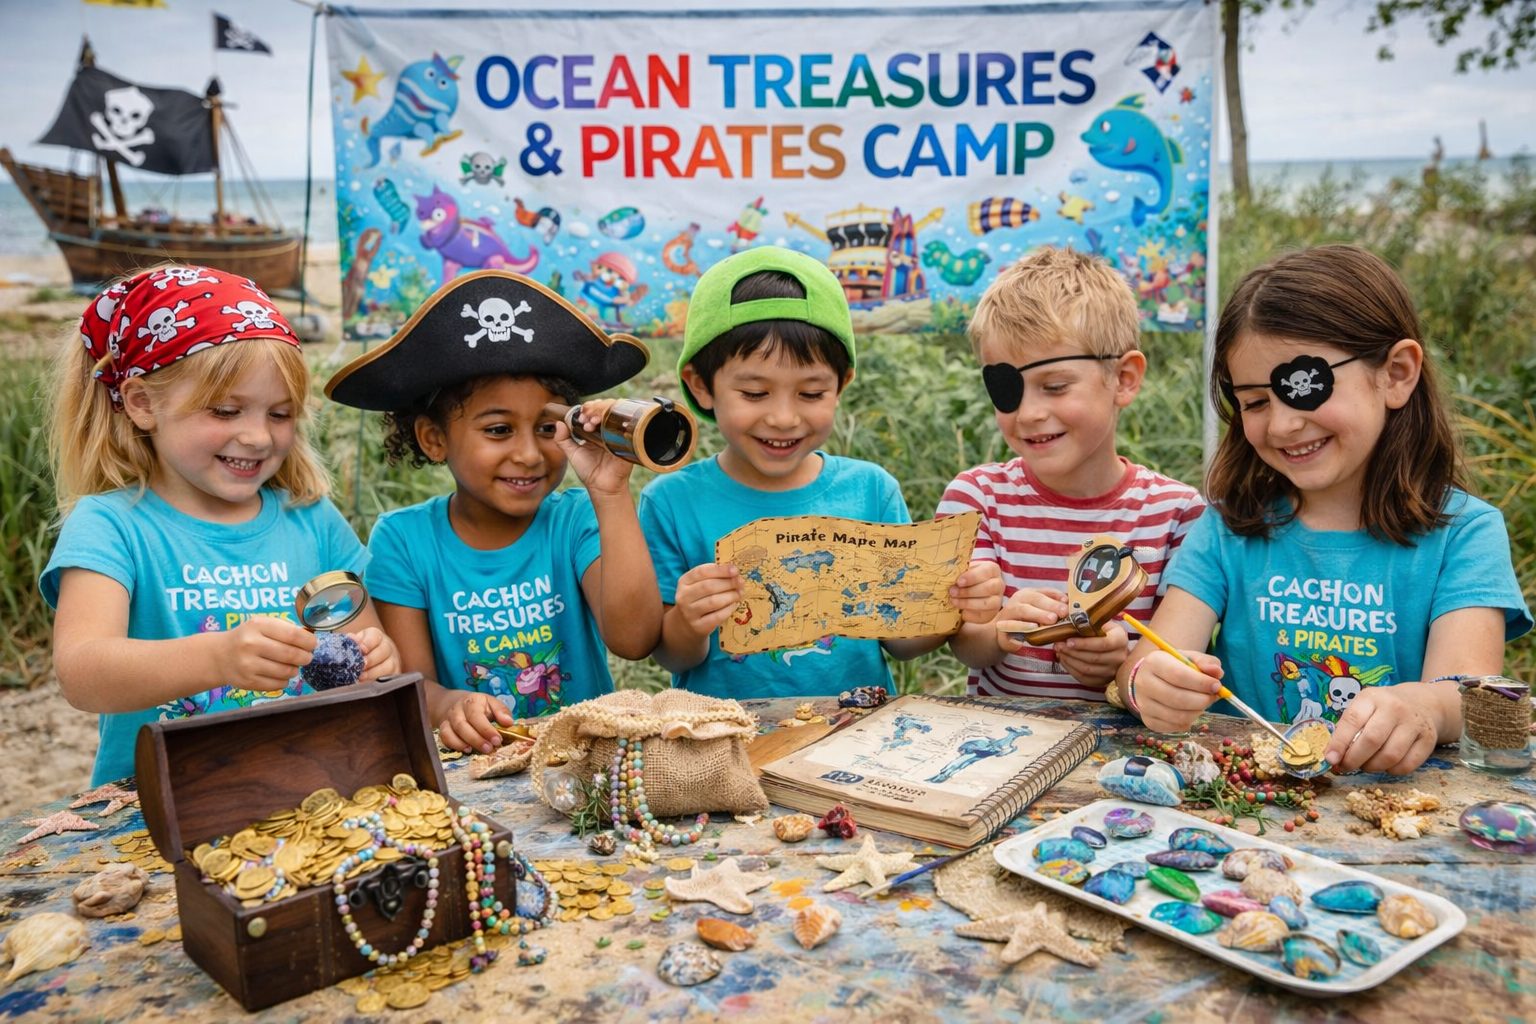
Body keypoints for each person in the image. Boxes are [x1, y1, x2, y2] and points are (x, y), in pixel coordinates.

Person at [1117, 244, 1531, 775]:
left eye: (1304, 386)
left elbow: (1462, 693)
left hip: (1397, 813)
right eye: (1256, 402)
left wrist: (1424, 707)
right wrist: (1146, 684)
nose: (1284, 424)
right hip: (1247, 800)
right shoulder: (1227, 527)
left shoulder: (1465, 534)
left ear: (1397, 374)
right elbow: (1150, 658)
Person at [40, 266, 400, 786]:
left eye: (279, 414)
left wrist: (374, 661)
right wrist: (219, 656)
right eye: (227, 410)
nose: (256, 437)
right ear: (143, 404)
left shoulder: (312, 518)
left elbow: (366, 642)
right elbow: (83, 673)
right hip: (163, 802)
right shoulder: (111, 525)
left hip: (312, 784)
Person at [639, 246, 1002, 699]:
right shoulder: (670, 502)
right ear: (700, 386)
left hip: (857, 735)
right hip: (726, 743)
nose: (784, 418)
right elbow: (672, 656)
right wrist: (687, 623)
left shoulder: (871, 491)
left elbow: (902, 641)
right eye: (754, 393)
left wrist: (956, 603)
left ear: (841, 385)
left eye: (811, 393)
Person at [325, 270, 662, 754]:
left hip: (584, 758)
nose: (529, 454)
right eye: (499, 430)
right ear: (434, 438)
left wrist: (610, 494)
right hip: (473, 767)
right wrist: (450, 708)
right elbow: (410, 684)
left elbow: (635, 639)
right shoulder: (404, 540)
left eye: (548, 429)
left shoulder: (574, 520)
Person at [936, 247, 1205, 700]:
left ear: (1123, 379)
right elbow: (963, 641)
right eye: (1007, 391)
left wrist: (1120, 661)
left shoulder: (1176, 514)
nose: (1030, 413)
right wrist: (1000, 630)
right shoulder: (976, 496)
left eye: (1055, 387)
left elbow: (1171, 652)